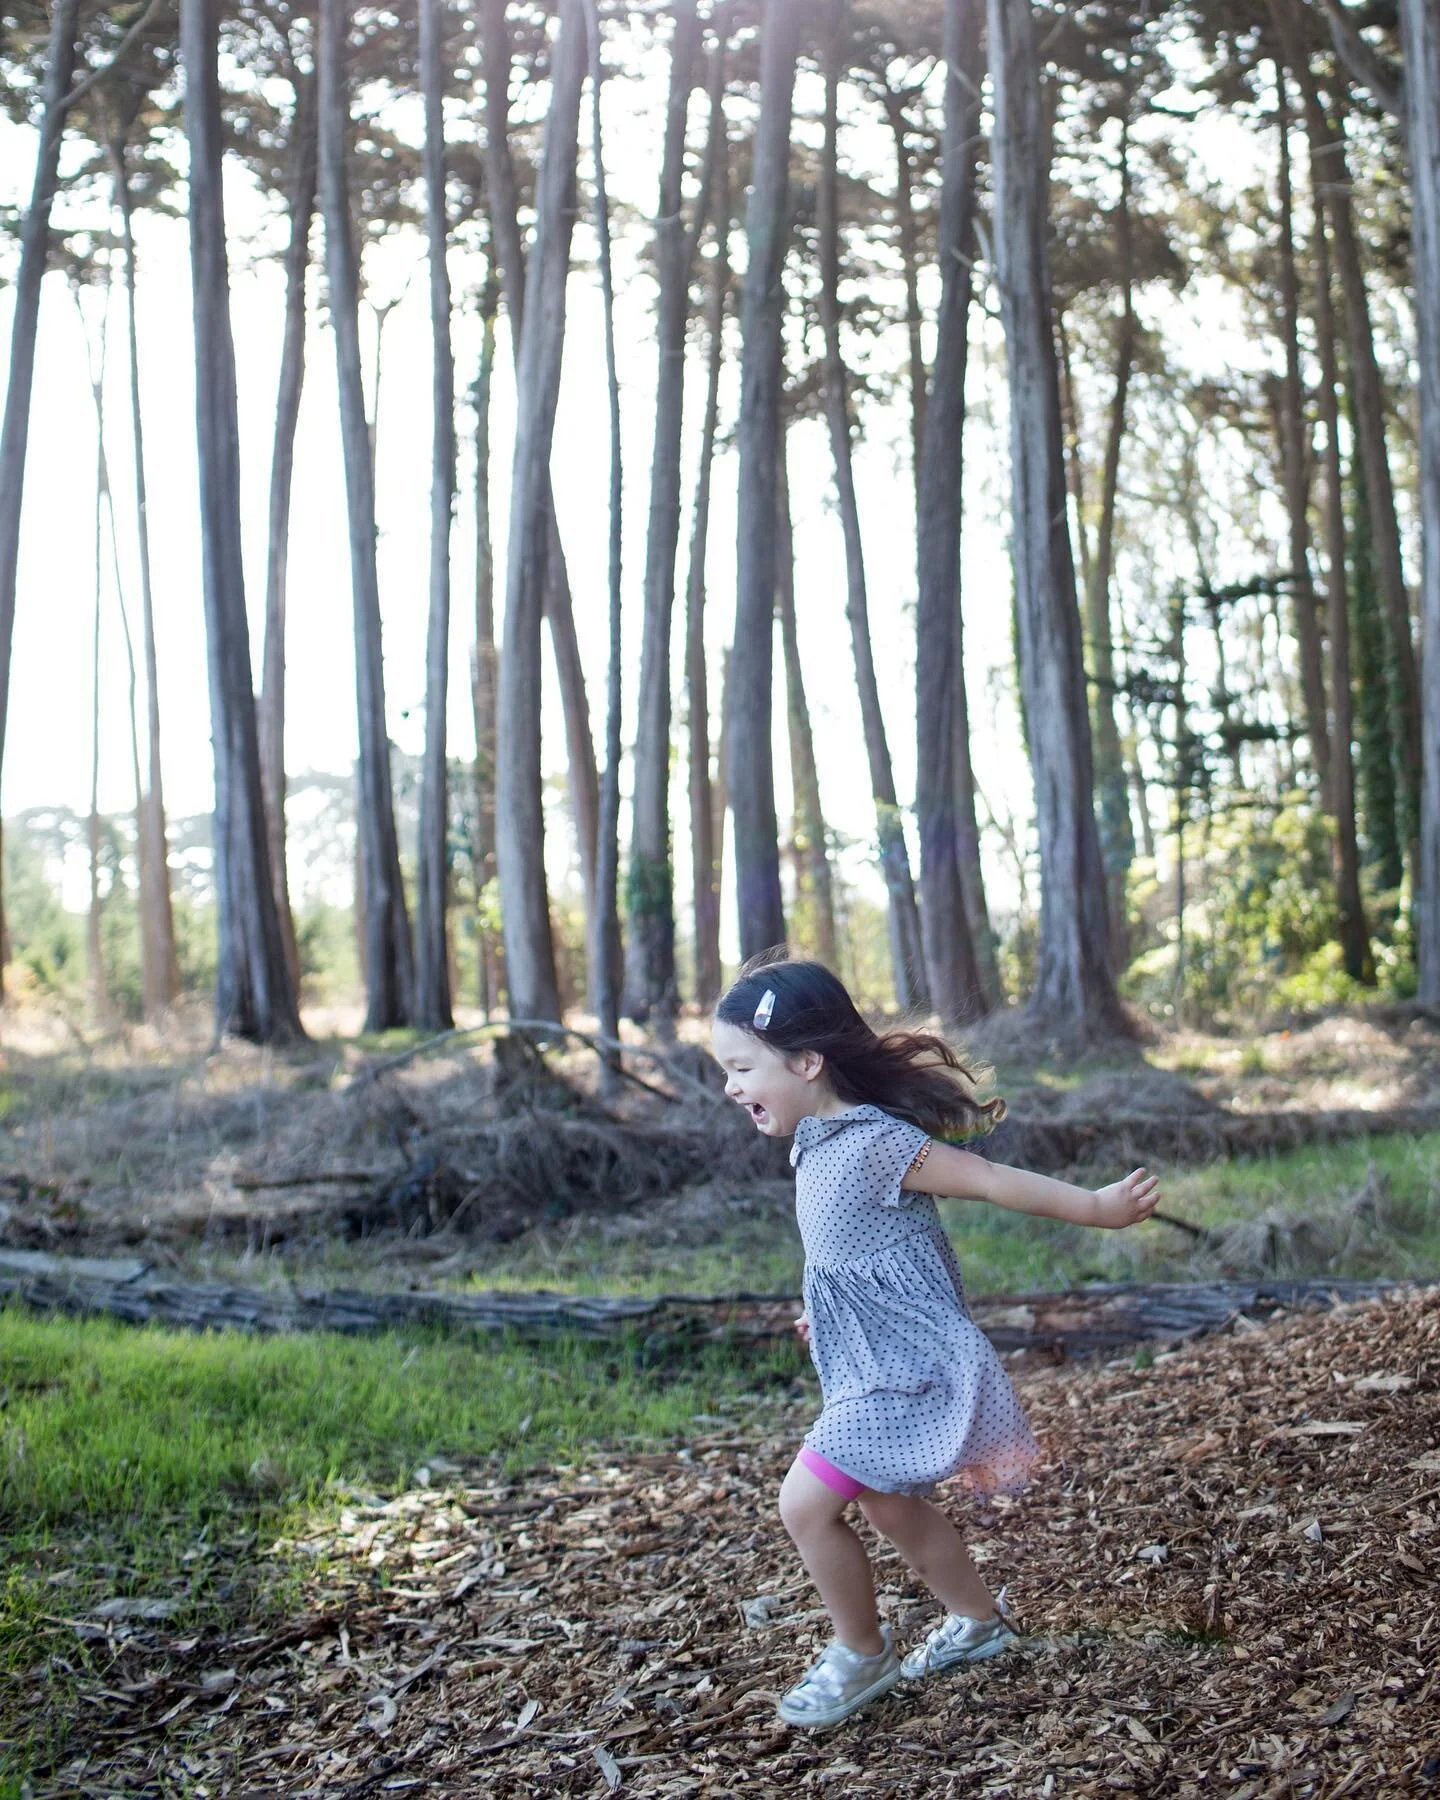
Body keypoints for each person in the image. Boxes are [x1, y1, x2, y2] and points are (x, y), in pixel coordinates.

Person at [711, 956, 1160, 1731]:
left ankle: (861, 1653)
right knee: (889, 1506)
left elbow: (986, 1179)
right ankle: (978, 1624)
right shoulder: (814, 1143)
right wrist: (829, 1308)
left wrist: (1098, 1207)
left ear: (807, 1061)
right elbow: (849, 1247)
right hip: (868, 1360)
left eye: (742, 1067)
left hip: (907, 1369)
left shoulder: (874, 1141)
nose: (730, 1087)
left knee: (804, 1506)